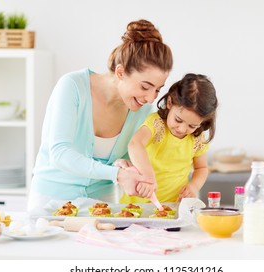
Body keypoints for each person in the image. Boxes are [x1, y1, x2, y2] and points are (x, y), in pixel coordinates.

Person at [27, 19, 173, 211]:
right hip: (50, 200)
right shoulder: (73, 86)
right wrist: (117, 175)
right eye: (145, 87)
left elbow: (121, 159)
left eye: (157, 90)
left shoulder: (143, 110)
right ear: (120, 72)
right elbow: (60, 153)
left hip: (101, 204)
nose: (150, 98)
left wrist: (126, 167)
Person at [120, 73, 218, 204]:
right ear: (170, 102)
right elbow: (135, 144)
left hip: (172, 207)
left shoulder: (196, 138)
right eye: (178, 120)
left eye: (192, 125)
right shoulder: (157, 124)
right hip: (138, 203)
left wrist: (193, 187)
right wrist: (148, 177)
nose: (182, 129)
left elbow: (201, 168)